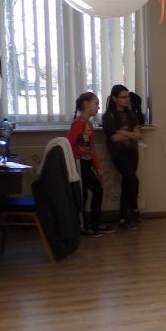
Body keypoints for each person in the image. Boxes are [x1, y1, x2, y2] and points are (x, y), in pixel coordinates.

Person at [68, 91, 113, 236]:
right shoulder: (78, 123)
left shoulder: (88, 125)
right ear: (86, 104)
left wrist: (97, 167)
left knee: (98, 190)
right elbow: (69, 144)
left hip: (87, 164)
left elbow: (91, 148)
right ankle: (83, 227)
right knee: (83, 195)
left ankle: (95, 223)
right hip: (79, 163)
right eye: (96, 104)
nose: (98, 107)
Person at [102, 83, 144, 229]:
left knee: (128, 182)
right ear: (114, 98)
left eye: (128, 97)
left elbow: (139, 135)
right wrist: (131, 134)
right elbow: (114, 138)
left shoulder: (131, 114)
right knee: (132, 179)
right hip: (118, 153)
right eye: (123, 97)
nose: (127, 99)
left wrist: (123, 132)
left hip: (132, 151)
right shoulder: (108, 116)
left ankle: (125, 216)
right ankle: (133, 209)